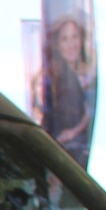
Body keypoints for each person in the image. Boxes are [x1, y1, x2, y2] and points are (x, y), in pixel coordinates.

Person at [36, 15, 95, 157]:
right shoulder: (50, 79)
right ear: (57, 44)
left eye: (75, 37)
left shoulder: (88, 77)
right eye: (65, 39)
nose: (71, 44)